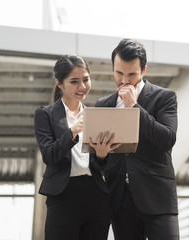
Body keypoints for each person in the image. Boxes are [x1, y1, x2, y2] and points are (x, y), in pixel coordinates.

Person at [94, 38, 179, 240]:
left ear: (143, 70)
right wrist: (100, 155)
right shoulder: (103, 105)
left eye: (131, 74)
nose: (124, 80)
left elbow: (167, 139)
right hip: (120, 200)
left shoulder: (164, 97)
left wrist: (135, 108)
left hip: (157, 198)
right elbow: (98, 163)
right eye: (119, 73)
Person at [34, 54, 120, 240]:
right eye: (74, 81)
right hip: (63, 196)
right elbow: (49, 156)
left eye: (86, 80)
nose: (82, 87)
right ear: (60, 84)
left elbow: (99, 166)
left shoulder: (95, 116)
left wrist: (102, 155)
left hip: (95, 194)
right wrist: (72, 131)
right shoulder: (45, 115)